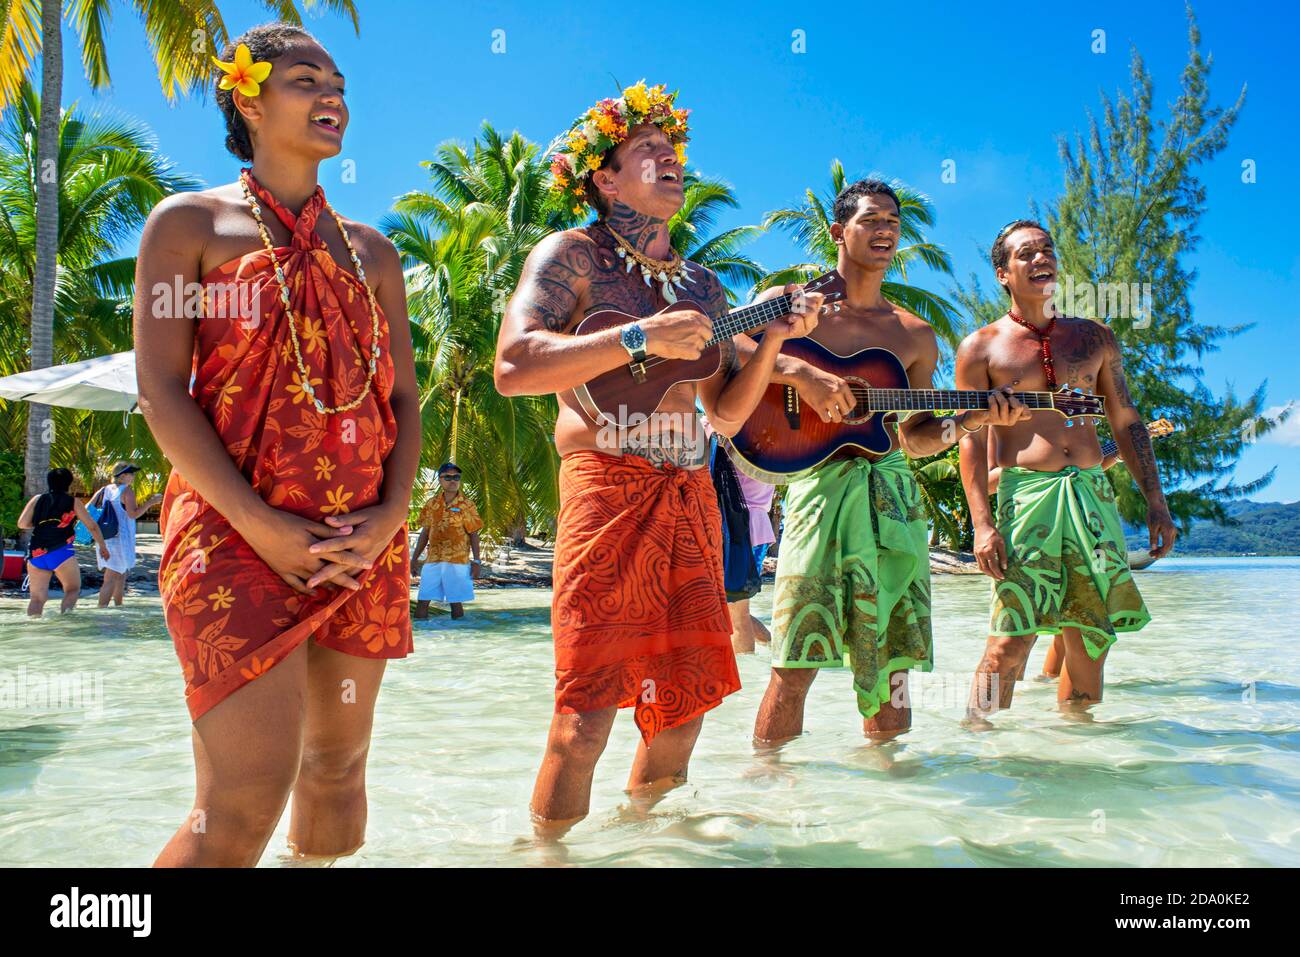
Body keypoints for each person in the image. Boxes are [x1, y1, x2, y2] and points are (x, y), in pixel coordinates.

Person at [495, 81, 823, 831]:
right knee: (585, 718)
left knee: (683, 712)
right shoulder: (571, 257)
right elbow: (513, 366)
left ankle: (645, 845)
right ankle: (547, 852)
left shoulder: (705, 286)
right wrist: (638, 338)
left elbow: (728, 415)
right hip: (605, 491)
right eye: (648, 151)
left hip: (691, 497)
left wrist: (773, 339)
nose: (670, 161)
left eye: (674, 152)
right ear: (603, 177)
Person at [134, 23, 420, 866]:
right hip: (234, 536)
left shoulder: (372, 251)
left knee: (337, 772)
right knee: (242, 799)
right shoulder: (188, 224)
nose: (332, 96)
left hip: (359, 541)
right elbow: (161, 391)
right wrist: (259, 522)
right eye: (305, 80)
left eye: (338, 83)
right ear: (247, 99)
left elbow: (401, 395)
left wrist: (390, 518)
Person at [751, 179, 1030, 747]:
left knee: (894, 664)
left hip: (893, 499)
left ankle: (893, 799)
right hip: (819, 491)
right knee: (796, 658)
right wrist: (803, 374)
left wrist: (976, 420)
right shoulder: (792, 304)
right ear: (838, 232)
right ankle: (767, 792)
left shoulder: (915, 334)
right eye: (871, 220)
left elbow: (919, 438)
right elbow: (722, 350)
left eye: (894, 224)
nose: (885, 232)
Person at [955, 219, 1175, 724]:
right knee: (1011, 639)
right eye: (1026, 253)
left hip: (1093, 496)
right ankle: (976, 742)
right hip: (1025, 498)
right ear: (1002, 273)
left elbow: (1125, 420)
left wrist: (1156, 503)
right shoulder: (982, 347)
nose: (1040, 259)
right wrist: (982, 524)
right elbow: (966, 436)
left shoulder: (1095, 337)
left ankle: (1075, 759)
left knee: (1090, 639)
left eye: (1046, 250)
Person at [16, 468, 109, 616]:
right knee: (72, 589)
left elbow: (22, 524)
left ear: (49, 482)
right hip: (61, 552)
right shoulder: (73, 502)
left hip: (37, 552)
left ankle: (32, 629)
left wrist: (44, 525)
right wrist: (102, 546)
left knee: (37, 599)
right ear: (69, 483)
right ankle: (64, 622)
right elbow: (91, 526)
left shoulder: (37, 499)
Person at [411, 462, 483, 620]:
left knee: (455, 602)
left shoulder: (467, 505)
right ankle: (423, 636)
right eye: (448, 477)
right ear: (440, 480)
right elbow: (425, 532)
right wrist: (414, 558)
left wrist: (476, 561)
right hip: (433, 559)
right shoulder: (431, 503)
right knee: (423, 600)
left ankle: (457, 638)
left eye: (456, 477)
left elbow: (474, 534)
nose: (453, 480)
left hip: (457, 559)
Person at [92, 462, 162, 608]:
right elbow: (133, 514)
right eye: (131, 474)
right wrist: (151, 502)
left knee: (120, 574)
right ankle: (101, 609)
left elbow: (90, 507)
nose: (133, 476)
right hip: (120, 538)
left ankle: (118, 606)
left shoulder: (106, 489)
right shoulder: (127, 491)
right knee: (111, 577)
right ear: (122, 476)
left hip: (105, 536)